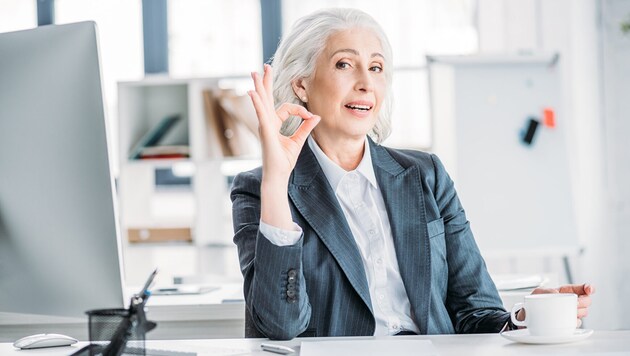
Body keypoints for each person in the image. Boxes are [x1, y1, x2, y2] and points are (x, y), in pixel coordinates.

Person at [231, 8, 593, 340]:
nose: (366, 83)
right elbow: (281, 325)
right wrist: (277, 181)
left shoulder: (426, 176)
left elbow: (475, 311)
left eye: (376, 68)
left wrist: (525, 315)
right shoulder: (259, 189)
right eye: (344, 65)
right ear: (301, 84)